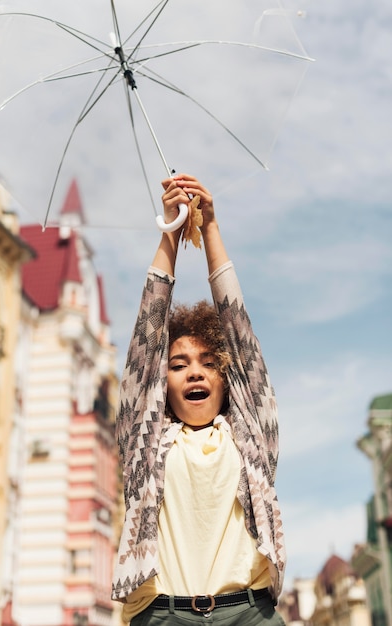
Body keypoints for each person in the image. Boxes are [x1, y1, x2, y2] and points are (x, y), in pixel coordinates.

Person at [112, 174, 286, 625]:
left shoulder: (252, 436)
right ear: (162, 382)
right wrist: (171, 232)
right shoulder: (145, 443)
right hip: (163, 616)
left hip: (250, 612)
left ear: (226, 379)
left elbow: (240, 334)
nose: (194, 370)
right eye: (178, 363)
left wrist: (208, 227)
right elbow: (147, 342)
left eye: (209, 362)